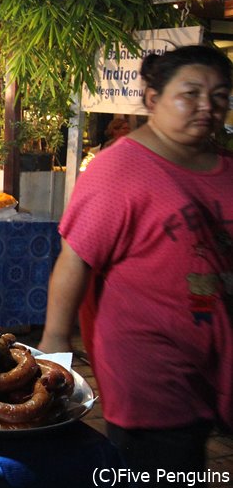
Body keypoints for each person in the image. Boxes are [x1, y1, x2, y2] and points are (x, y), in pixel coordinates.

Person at [39, 45, 232, 476]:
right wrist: (55, 342)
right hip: (150, 363)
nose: (207, 106)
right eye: (191, 93)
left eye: (219, 95)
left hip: (215, 352)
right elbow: (75, 261)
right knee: (162, 466)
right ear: (152, 99)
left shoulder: (225, 166)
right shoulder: (120, 168)